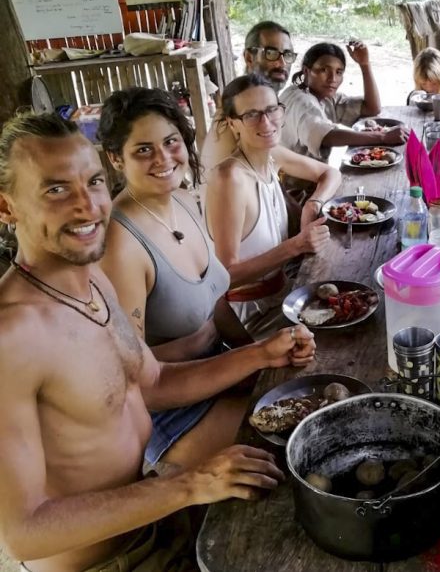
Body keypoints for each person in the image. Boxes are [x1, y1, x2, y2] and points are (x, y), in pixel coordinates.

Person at [0, 112, 313, 571]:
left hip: (154, 516)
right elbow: (24, 532)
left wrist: (261, 353)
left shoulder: (91, 283)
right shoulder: (13, 337)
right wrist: (190, 483)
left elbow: (154, 382)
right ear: (7, 207)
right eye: (55, 189)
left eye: (93, 182)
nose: (87, 207)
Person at [98, 86, 318, 469]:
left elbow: (216, 300)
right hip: (168, 409)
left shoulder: (183, 201)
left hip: (219, 365)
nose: (164, 158)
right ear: (116, 159)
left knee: (315, 396)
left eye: (171, 142)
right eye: (143, 150)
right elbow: (140, 386)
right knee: (295, 451)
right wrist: (256, 356)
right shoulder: (121, 244)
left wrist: (261, 361)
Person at [207, 73, 339, 335]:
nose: (266, 122)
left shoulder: (270, 155)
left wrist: (312, 204)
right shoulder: (230, 178)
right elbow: (225, 277)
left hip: (283, 294)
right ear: (233, 124)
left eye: (272, 110)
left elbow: (331, 174)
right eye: (251, 115)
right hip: (251, 315)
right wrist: (296, 245)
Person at [279, 41, 409, 162]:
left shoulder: (324, 96)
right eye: (324, 70)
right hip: (292, 183)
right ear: (307, 71)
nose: (333, 79)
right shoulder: (301, 100)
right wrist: (383, 137)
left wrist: (364, 65)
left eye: (339, 72)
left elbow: (371, 108)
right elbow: (327, 136)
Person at [201, 20, 295, 176]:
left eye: (288, 54)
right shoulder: (238, 109)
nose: (282, 63)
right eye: (271, 53)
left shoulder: (259, 102)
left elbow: (264, 170)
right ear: (249, 58)